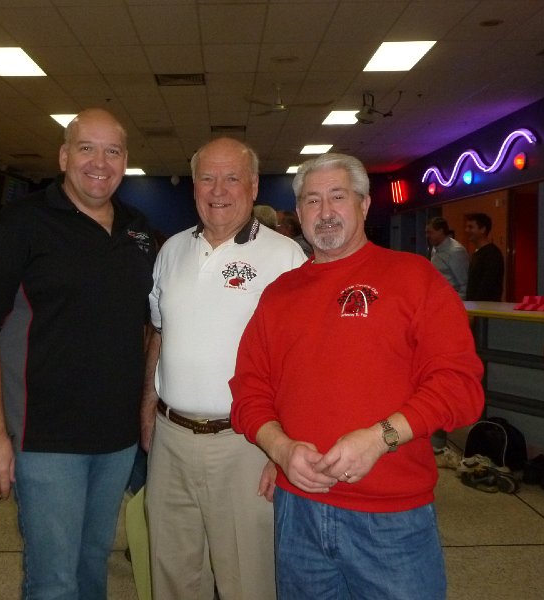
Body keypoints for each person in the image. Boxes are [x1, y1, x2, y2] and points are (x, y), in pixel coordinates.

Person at [229, 153, 485, 599]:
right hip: (298, 514)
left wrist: (380, 437)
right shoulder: (279, 295)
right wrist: (280, 448)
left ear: (364, 205)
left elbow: (460, 386)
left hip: (392, 520)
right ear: (299, 213)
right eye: (312, 201)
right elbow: (249, 392)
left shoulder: (414, 278)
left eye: (338, 197)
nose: (325, 212)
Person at [0, 108, 156, 599]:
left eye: (113, 151)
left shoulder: (138, 230)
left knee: (92, 566)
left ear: (125, 161)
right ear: (65, 156)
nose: (100, 162)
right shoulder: (21, 223)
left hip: (116, 438)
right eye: (87, 148)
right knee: (53, 580)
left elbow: (153, 326)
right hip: (43, 438)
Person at [141, 137, 307, 600]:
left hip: (246, 443)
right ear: (194, 186)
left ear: (253, 187)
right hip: (170, 440)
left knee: (247, 581)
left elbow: (299, 361)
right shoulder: (171, 251)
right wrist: (148, 408)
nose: (218, 190)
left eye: (232, 177)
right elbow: (159, 333)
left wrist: (283, 448)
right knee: (171, 575)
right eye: (207, 178)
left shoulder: (285, 257)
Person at [425, 216, 469, 299]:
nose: (427, 236)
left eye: (430, 232)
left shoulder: (456, 252)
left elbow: (464, 285)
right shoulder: (435, 248)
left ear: (441, 231)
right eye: (426, 233)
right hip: (438, 297)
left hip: (451, 300)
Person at [465, 212, 505, 301]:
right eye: (467, 227)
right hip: (477, 308)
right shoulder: (477, 253)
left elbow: (487, 285)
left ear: (482, 229)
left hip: (487, 309)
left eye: (471, 227)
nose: (466, 230)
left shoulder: (492, 254)